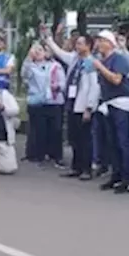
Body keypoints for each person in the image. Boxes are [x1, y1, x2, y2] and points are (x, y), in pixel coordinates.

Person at [46, 31, 101, 180]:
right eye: (77, 43)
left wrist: (89, 107)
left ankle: (86, 169)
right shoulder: (75, 59)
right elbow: (60, 53)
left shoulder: (91, 63)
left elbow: (94, 87)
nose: (77, 46)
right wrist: (48, 39)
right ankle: (76, 166)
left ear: (88, 46)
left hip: (83, 105)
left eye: (80, 43)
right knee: (74, 137)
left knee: (85, 138)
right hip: (72, 103)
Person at [92, 30, 129, 193]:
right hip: (108, 102)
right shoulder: (103, 59)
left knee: (123, 141)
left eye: (101, 41)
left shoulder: (119, 58)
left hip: (121, 103)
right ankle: (116, 175)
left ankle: (128, 178)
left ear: (109, 43)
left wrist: (100, 67)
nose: (98, 44)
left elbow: (116, 79)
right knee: (112, 142)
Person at [21, 44, 65, 166]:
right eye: (36, 50)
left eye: (41, 49)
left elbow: (63, 83)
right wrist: (29, 58)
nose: (39, 52)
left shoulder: (55, 66)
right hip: (37, 102)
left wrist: (57, 87)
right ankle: (39, 155)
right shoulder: (31, 66)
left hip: (54, 101)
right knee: (40, 130)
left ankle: (56, 155)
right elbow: (24, 75)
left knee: (56, 129)